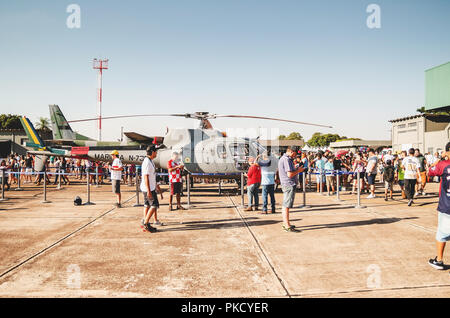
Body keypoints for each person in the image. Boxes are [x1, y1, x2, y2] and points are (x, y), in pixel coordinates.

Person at [428, 142, 450, 270]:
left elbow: (431, 172)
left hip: (447, 205)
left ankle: (439, 260)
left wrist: (440, 159)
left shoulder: (443, 165)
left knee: (442, 234)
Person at [278, 147, 304, 232]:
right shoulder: (286, 159)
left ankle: (286, 223)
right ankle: (287, 225)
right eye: (295, 154)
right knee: (286, 205)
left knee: (285, 204)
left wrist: (295, 168)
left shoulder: (284, 158)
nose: (296, 156)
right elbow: (289, 174)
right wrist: (299, 170)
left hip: (286, 184)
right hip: (289, 184)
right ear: (291, 152)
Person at [140, 145, 163, 233]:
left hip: (150, 187)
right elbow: (146, 177)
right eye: (156, 152)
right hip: (148, 188)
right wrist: (149, 191)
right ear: (152, 152)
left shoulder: (150, 161)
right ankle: (146, 223)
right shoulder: (147, 162)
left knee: (147, 205)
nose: (157, 153)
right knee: (154, 205)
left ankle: (146, 222)